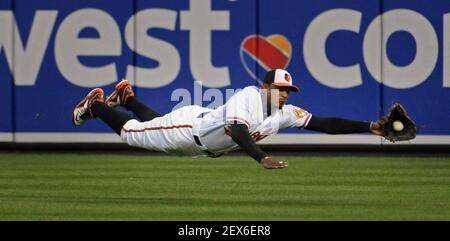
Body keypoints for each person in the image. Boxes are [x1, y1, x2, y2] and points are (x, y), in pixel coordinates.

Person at [72, 69, 384, 169]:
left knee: (157, 123)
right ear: (266, 87)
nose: (286, 95)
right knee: (134, 135)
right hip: (190, 131)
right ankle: (96, 105)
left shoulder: (283, 114)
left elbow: (325, 124)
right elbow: (236, 129)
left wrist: (372, 127)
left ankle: (127, 98)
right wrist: (261, 157)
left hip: (198, 132)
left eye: (288, 90)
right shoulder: (249, 96)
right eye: (280, 89)